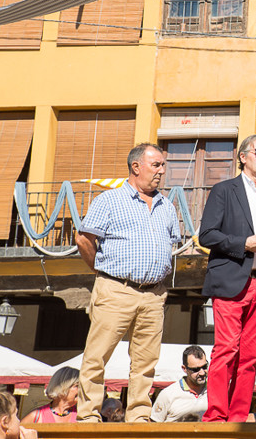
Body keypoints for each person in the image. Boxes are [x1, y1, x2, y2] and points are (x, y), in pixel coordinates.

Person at [75, 143, 178, 423]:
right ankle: (88, 416)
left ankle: (139, 415)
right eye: (156, 165)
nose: (161, 170)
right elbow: (84, 239)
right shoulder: (108, 201)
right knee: (97, 357)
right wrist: (101, 271)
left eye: (162, 165)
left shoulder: (167, 206)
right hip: (115, 288)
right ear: (136, 167)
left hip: (154, 295)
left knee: (146, 363)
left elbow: (171, 245)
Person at [198, 134, 256, 422]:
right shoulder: (225, 190)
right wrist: (244, 243)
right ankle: (216, 417)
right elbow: (207, 235)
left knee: (250, 357)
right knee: (226, 350)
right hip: (232, 279)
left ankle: (237, 418)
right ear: (243, 157)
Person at [150, 346, 208, 422]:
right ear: (184, 369)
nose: (202, 373)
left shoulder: (216, 391)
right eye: (196, 369)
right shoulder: (168, 394)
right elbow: (153, 425)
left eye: (204, 367)